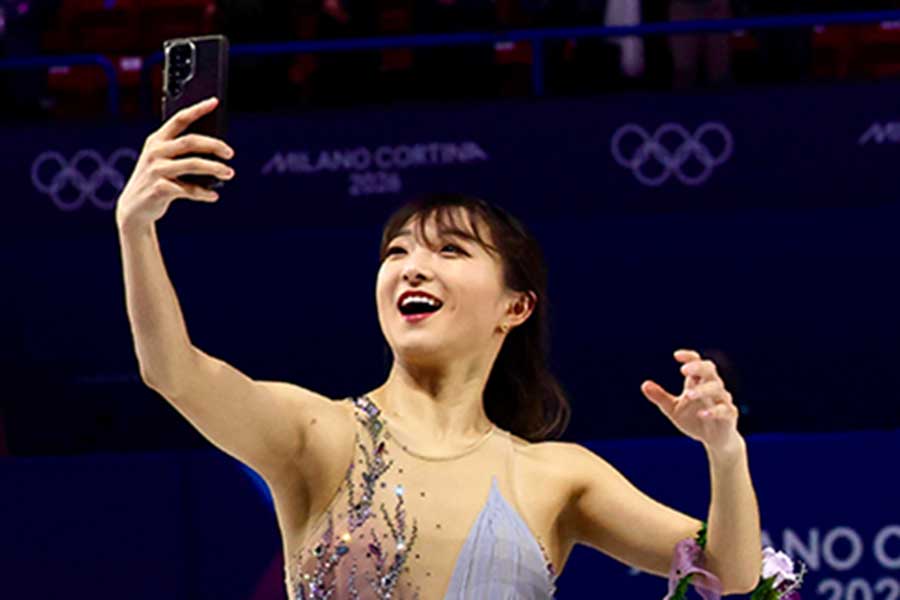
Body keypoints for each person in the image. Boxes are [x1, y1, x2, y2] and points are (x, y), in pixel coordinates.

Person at [115, 97, 762, 599]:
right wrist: (136, 226)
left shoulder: (559, 477)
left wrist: (724, 452)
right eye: (397, 252)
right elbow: (172, 371)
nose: (411, 268)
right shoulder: (318, 433)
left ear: (516, 306)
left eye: (449, 250)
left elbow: (732, 581)